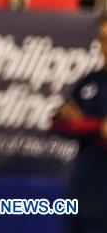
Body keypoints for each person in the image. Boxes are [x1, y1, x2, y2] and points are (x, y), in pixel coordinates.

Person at [51, 15, 107, 233]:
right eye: (102, 40)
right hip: (84, 190)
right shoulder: (90, 81)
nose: (105, 47)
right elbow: (58, 123)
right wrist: (96, 127)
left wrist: (83, 125)